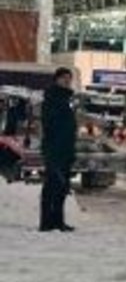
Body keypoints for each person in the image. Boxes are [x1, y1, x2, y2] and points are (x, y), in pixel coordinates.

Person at [39, 67, 78, 232]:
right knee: (52, 185)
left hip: (65, 149)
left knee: (61, 188)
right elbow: (51, 124)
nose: (67, 80)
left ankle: (58, 220)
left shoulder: (66, 99)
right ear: (56, 80)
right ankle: (47, 222)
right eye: (64, 78)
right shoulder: (53, 98)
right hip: (55, 148)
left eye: (69, 78)